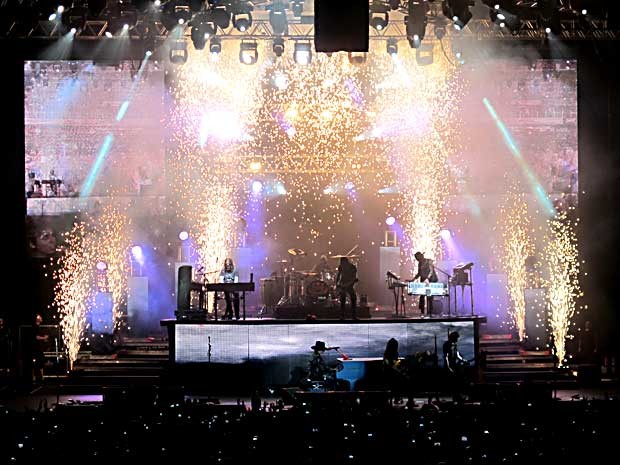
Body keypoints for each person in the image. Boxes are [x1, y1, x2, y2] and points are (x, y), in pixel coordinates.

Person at [442, 331, 469, 401]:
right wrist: (448, 367)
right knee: (453, 383)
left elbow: (457, 355)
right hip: (449, 366)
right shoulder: (446, 344)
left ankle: (457, 396)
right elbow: (446, 357)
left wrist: (463, 360)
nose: (457, 339)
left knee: (458, 381)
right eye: (456, 338)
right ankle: (455, 397)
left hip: (454, 365)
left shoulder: (454, 345)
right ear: (453, 337)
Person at [413, 251, 438, 316]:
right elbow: (419, 273)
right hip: (423, 280)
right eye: (417, 259)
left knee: (429, 296)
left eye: (418, 258)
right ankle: (422, 311)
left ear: (421, 256)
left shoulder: (429, 261)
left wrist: (427, 278)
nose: (418, 260)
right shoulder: (420, 263)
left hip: (430, 280)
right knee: (422, 295)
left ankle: (430, 311)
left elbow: (431, 271)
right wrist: (413, 279)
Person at [32, 313, 48, 384]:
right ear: (37, 319)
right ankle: (34, 377)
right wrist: (44, 338)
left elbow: (39, 337)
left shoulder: (39, 327)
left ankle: (42, 377)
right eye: (40, 317)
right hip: (35, 348)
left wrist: (44, 339)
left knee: (40, 361)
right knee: (36, 362)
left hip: (38, 347)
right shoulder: (35, 327)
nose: (41, 318)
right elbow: (36, 337)